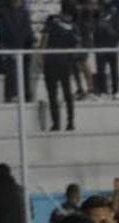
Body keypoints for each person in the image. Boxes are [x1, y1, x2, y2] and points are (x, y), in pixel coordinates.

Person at [41, 0, 79, 131]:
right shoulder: (72, 27)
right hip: (63, 63)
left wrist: (41, 58)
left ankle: (57, 123)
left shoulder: (51, 21)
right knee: (66, 93)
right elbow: (75, 45)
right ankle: (69, 122)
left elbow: (43, 42)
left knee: (54, 94)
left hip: (53, 62)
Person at [0, 0, 36, 102]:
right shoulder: (3, 12)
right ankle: (10, 96)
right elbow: (1, 31)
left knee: (25, 72)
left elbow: (28, 30)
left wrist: (31, 42)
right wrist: (3, 46)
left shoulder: (25, 12)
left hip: (24, 47)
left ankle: (27, 95)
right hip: (9, 47)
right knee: (11, 72)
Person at [94, 0, 119, 98]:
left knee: (114, 69)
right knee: (101, 69)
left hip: (112, 43)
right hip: (100, 44)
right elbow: (94, 26)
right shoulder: (97, 12)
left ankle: (116, 90)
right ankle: (102, 91)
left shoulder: (116, 12)